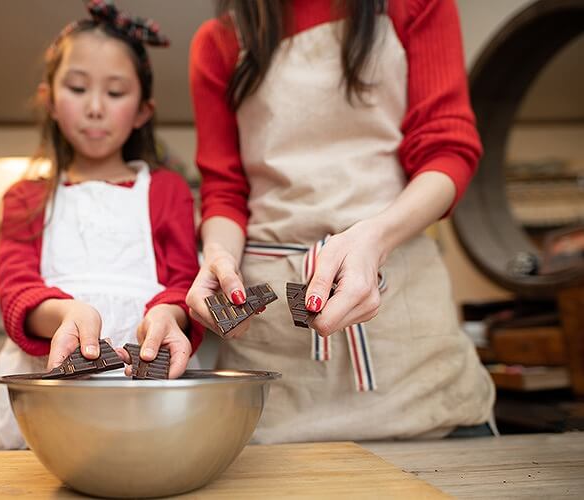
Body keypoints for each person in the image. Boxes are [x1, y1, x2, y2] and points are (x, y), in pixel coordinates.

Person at [187, 0, 495, 443]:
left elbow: (448, 150)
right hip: (274, 348)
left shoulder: (418, 6)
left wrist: (375, 238)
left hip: (403, 322)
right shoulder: (218, 43)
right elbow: (225, 191)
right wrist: (217, 257)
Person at [0, 0, 202, 450]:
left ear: (142, 111)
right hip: (42, 388)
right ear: (49, 100)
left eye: (115, 93)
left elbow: (183, 283)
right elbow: (16, 290)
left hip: (144, 387)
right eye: (77, 88)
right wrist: (67, 315)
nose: (95, 107)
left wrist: (164, 314)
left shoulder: (166, 190)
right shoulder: (25, 198)